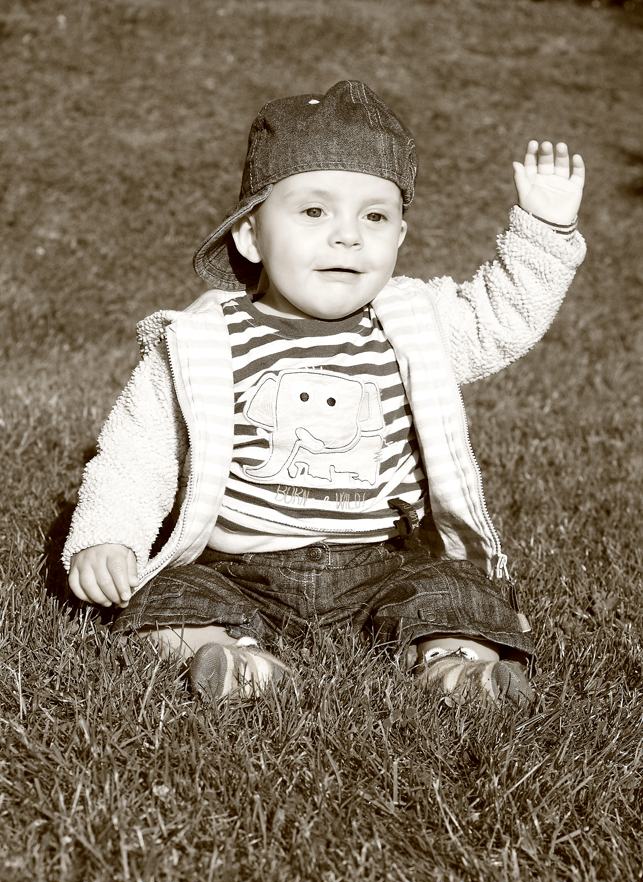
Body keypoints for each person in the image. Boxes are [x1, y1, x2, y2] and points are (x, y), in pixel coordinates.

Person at [63, 80, 586, 706]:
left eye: (374, 217)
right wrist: (108, 535)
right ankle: (229, 657)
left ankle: (455, 666)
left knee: (452, 590)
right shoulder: (201, 340)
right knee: (167, 592)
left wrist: (544, 231)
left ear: (399, 238)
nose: (348, 236)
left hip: (383, 564)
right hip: (239, 568)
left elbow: (502, 316)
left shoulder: (417, 323)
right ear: (250, 235)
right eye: (314, 212)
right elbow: (137, 453)